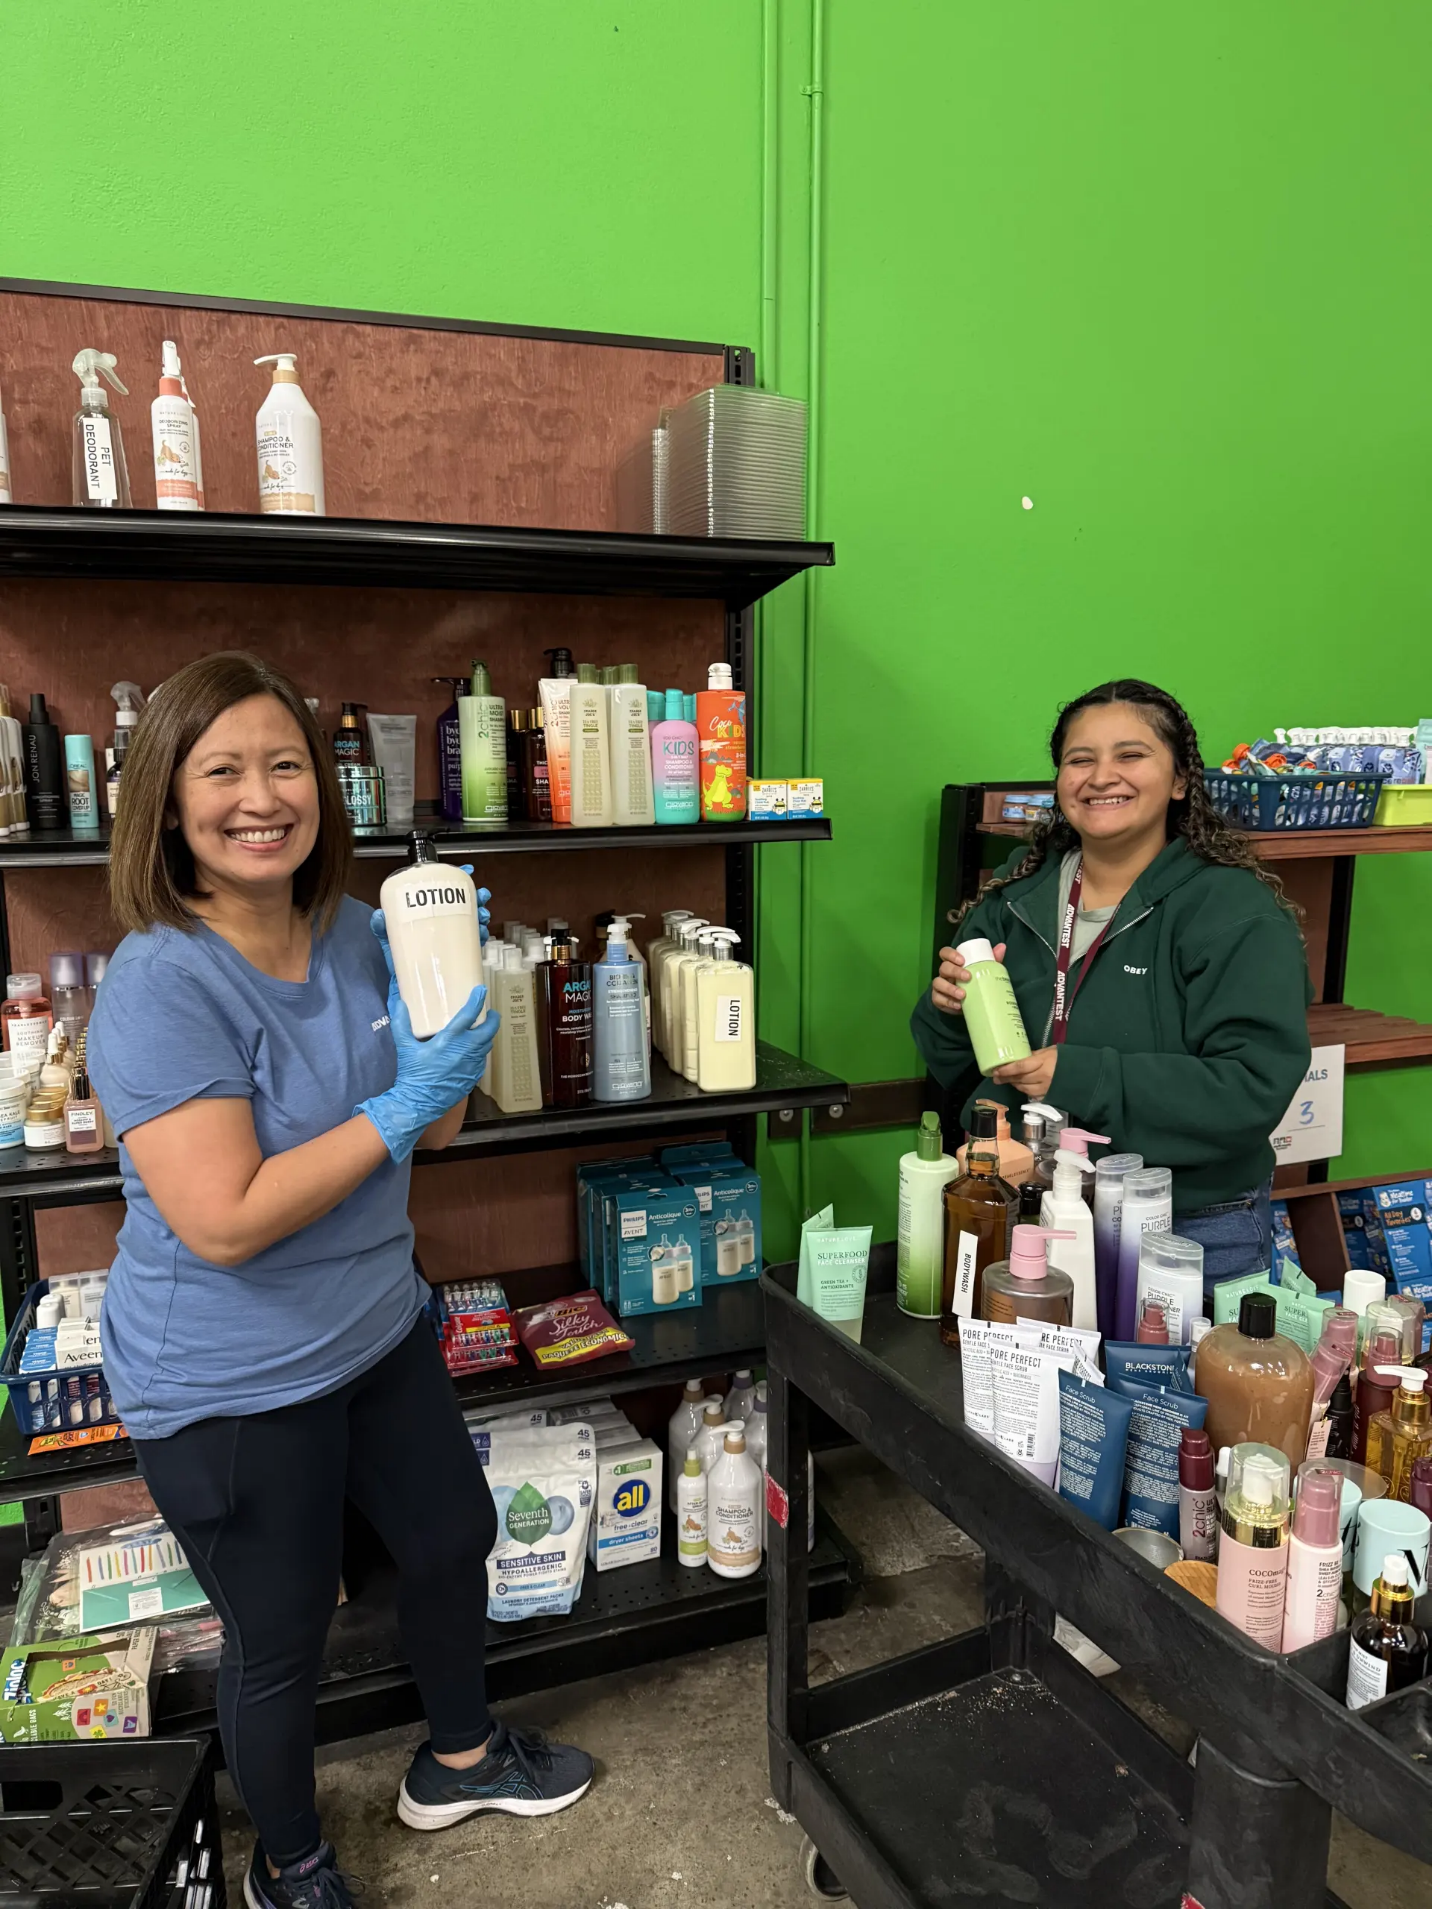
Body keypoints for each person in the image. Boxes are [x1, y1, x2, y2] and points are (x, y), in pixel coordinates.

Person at [88, 653, 592, 1909]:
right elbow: (223, 1219)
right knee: (279, 1643)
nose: (261, 796)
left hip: (375, 1325)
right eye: (222, 770)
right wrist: (407, 1089)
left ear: (326, 786)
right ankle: (291, 1864)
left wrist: (453, 1017)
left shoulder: (366, 930)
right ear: (165, 801)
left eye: (285, 763)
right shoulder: (160, 981)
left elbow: (436, 1138)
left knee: (448, 1537)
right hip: (230, 1377)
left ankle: (461, 1755)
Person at [912, 679, 1311, 1280]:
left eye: (1131, 755)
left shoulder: (1232, 913)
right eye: (1080, 759)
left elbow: (1251, 1089)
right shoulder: (1016, 898)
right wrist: (950, 1010)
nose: (1102, 776)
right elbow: (963, 1069)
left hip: (1187, 1226)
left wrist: (1074, 1077)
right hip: (1034, 1207)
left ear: (1179, 781)